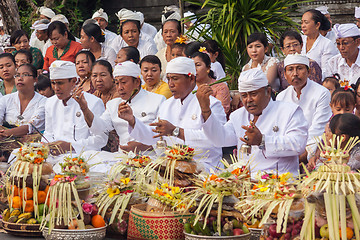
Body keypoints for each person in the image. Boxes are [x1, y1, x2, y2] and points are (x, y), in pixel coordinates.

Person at [118, 57, 227, 171]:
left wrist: (176, 131)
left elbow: (216, 140)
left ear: (191, 78)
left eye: (175, 79)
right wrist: (132, 120)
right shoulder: (167, 105)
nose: (170, 84)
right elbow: (154, 136)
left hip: (205, 168)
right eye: (168, 79)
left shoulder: (212, 104)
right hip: (171, 169)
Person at [196, 68, 308, 176]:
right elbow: (220, 138)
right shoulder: (238, 116)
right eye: (244, 96)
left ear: (268, 92)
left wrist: (263, 141)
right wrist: (206, 110)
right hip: (245, 182)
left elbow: (298, 144)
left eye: (253, 94)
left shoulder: (289, 111)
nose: (248, 100)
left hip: (281, 182)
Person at [74, 60, 165, 153]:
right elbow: (100, 129)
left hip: (151, 158)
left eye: (124, 82)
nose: (120, 88)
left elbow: (164, 136)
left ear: (137, 82)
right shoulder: (113, 104)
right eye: (117, 83)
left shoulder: (157, 100)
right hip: (122, 159)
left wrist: (143, 146)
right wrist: (85, 109)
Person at [43, 60, 107, 155]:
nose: (56, 88)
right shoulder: (50, 102)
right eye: (53, 83)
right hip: (54, 156)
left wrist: (71, 146)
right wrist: (46, 146)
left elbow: (101, 139)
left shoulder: (93, 102)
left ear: (74, 81)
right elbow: (48, 133)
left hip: (84, 157)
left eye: (60, 83)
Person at [276, 54, 332, 163]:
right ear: (285, 75)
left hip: (313, 149)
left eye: (300, 68)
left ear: (309, 72)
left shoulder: (322, 93)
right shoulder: (281, 97)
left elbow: (318, 129)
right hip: (289, 149)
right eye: (290, 69)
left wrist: (303, 154)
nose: (295, 73)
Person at [307, 87, 356, 170]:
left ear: (353, 107)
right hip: (331, 160)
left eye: (347, 110)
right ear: (331, 107)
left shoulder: (355, 123)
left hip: (349, 160)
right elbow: (323, 143)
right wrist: (315, 156)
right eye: (338, 109)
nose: (342, 113)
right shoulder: (329, 125)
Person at [0, 63, 46, 138]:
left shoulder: (43, 102)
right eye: (17, 75)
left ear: (35, 79)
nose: (20, 78)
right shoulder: (6, 99)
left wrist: (7, 133)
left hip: (32, 145)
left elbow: (31, 126)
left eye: (25, 75)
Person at [301, 9, 338, 76]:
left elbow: (326, 72)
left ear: (317, 25)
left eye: (306, 22)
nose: (303, 26)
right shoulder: (300, 40)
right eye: (302, 22)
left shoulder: (327, 44)